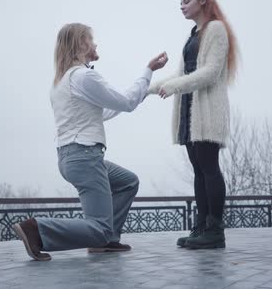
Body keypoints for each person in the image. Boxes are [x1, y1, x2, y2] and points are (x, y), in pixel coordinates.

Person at [12, 23, 168, 261]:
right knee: (99, 227)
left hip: (70, 158)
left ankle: (107, 241)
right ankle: (38, 229)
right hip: (84, 157)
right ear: (81, 44)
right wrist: (148, 71)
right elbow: (125, 102)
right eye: (91, 39)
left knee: (127, 182)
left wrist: (144, 92)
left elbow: (104, 112)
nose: (95, 44)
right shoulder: (85, 76)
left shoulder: (62, 82)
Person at [147, 0, 238, 249]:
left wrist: (173, 87)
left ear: (202, 1)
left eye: (186, 1)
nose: (182, 7)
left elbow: (210, 73)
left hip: (207, 109)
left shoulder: (217, 29)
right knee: (199, 170)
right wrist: (150, 88)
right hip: (189, 109)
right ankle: (201, 227)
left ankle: (215, 230)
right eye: (180, 3)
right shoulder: (193, 35)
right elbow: (183, 73)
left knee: (210, 168)